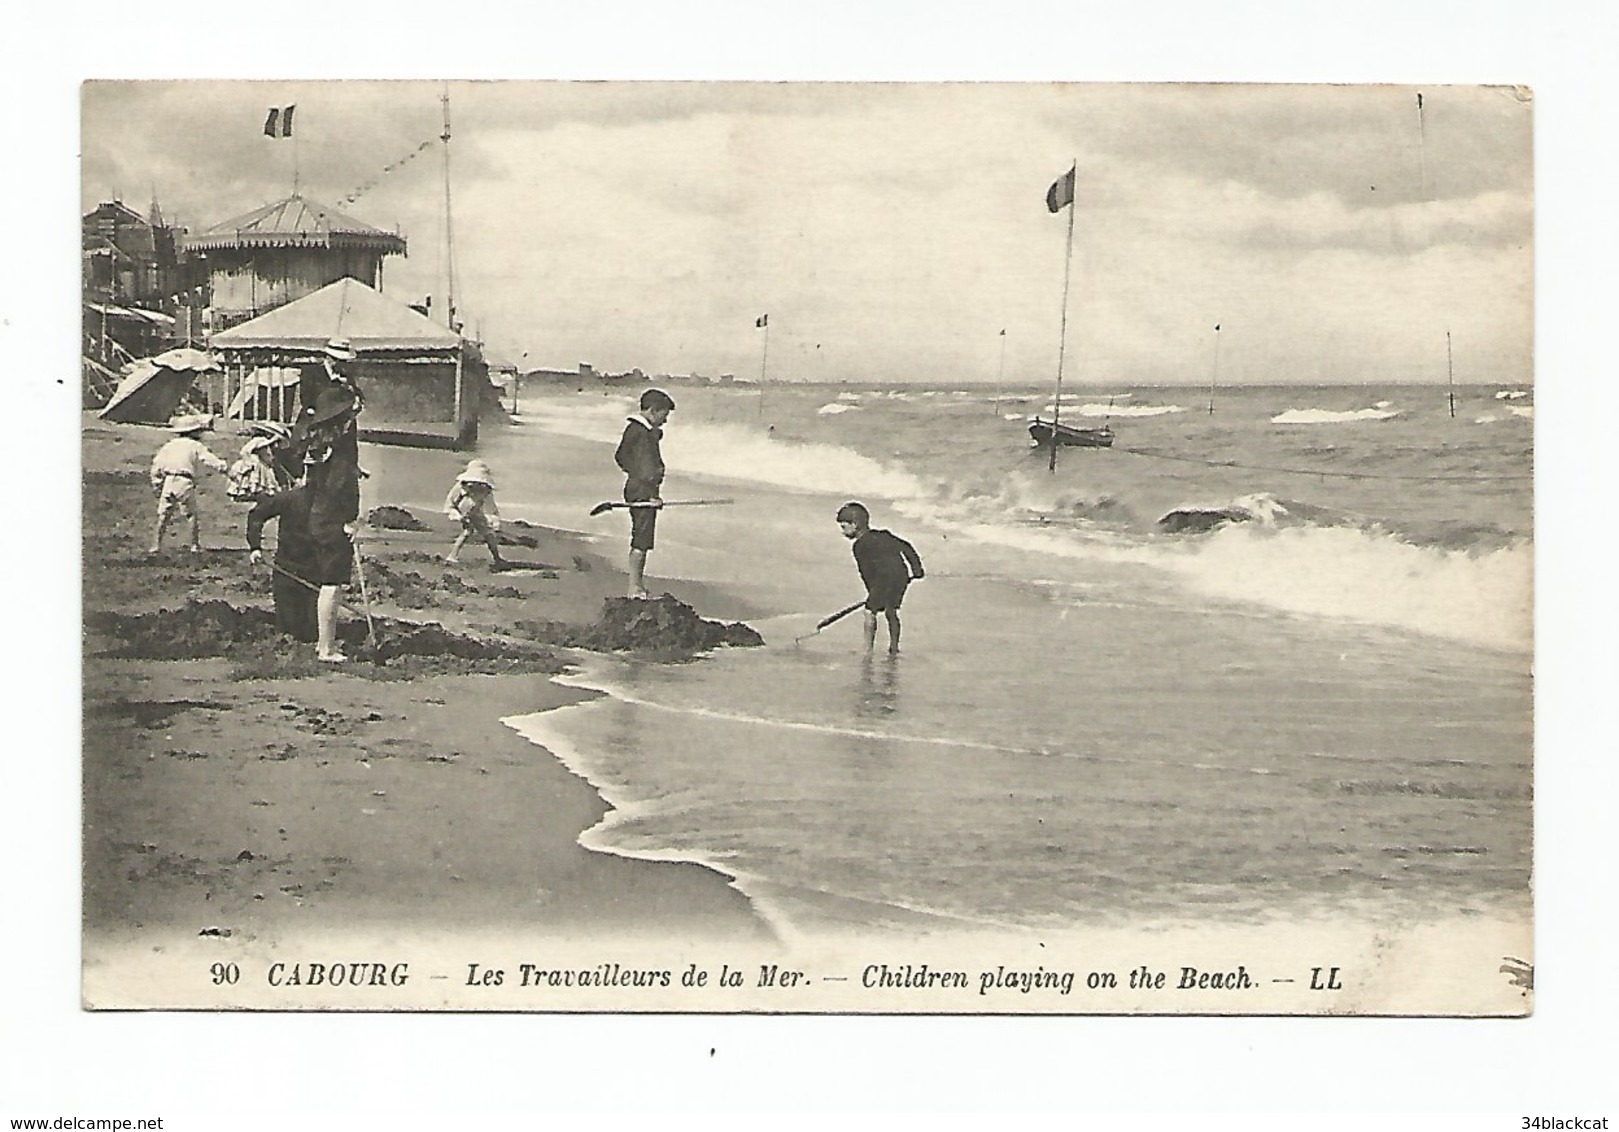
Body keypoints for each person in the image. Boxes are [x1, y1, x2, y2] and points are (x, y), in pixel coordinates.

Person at [287, 337, 365, 662]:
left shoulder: (319, 447)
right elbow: (341, 489)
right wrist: (351, 520)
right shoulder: (339, 451)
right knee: (333, 581)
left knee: (317, 576)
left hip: (314, 509)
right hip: (331, 515)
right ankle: (326, 647)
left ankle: (316, 637)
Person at [836, 501, 925, 654]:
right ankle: (894, 647)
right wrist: (917, 570)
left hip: (883, 579)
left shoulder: (859, 546)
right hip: (901, 576)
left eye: (844, 527)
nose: (843, 532)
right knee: (891, 611)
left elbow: (866, 572)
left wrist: (872, 594)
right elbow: (906, 547)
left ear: (855, 525)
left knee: (869, 612)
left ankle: (867, 650)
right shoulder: (884, 535)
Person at [614, 388, 675, 599]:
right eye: (663, 414)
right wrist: (650, 494)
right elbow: (648, 468)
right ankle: (635, 588)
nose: (665, 420)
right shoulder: (642, 433)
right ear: (652, 410)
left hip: (636, 487)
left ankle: (636, 586)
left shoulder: (635, 429)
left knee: (641, 537)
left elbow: (621, 456)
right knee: (642, 539)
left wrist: (634, 475)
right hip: (643, 491)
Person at [245, 481, 320, 644]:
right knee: (289, 629)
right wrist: (255, 547)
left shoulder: (332, 502)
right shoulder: (291, 498)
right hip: (287, 570)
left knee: (312, 630)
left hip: (316, 575)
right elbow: (257, 515)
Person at [148, 413, 228, 554]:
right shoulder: (195, 445)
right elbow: (209, 459)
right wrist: (223, 466)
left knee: (163, 514)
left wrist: (156, 483)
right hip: (184, 481)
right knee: (190, 514)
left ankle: (156, 545)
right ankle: (194, 545)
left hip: (169, 480)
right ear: (194, 432)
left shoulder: (169, 446)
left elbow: (157, 465)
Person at [443, 459, 506, 567]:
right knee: (469, 532)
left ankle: (497, 558)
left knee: (487, 534)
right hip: (464, 510)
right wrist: (456, 514)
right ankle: (452, 555)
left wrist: (493, 519)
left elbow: (490, 507)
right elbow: (450, 501)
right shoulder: (461, 487)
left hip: (477, 512)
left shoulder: (486, 490)